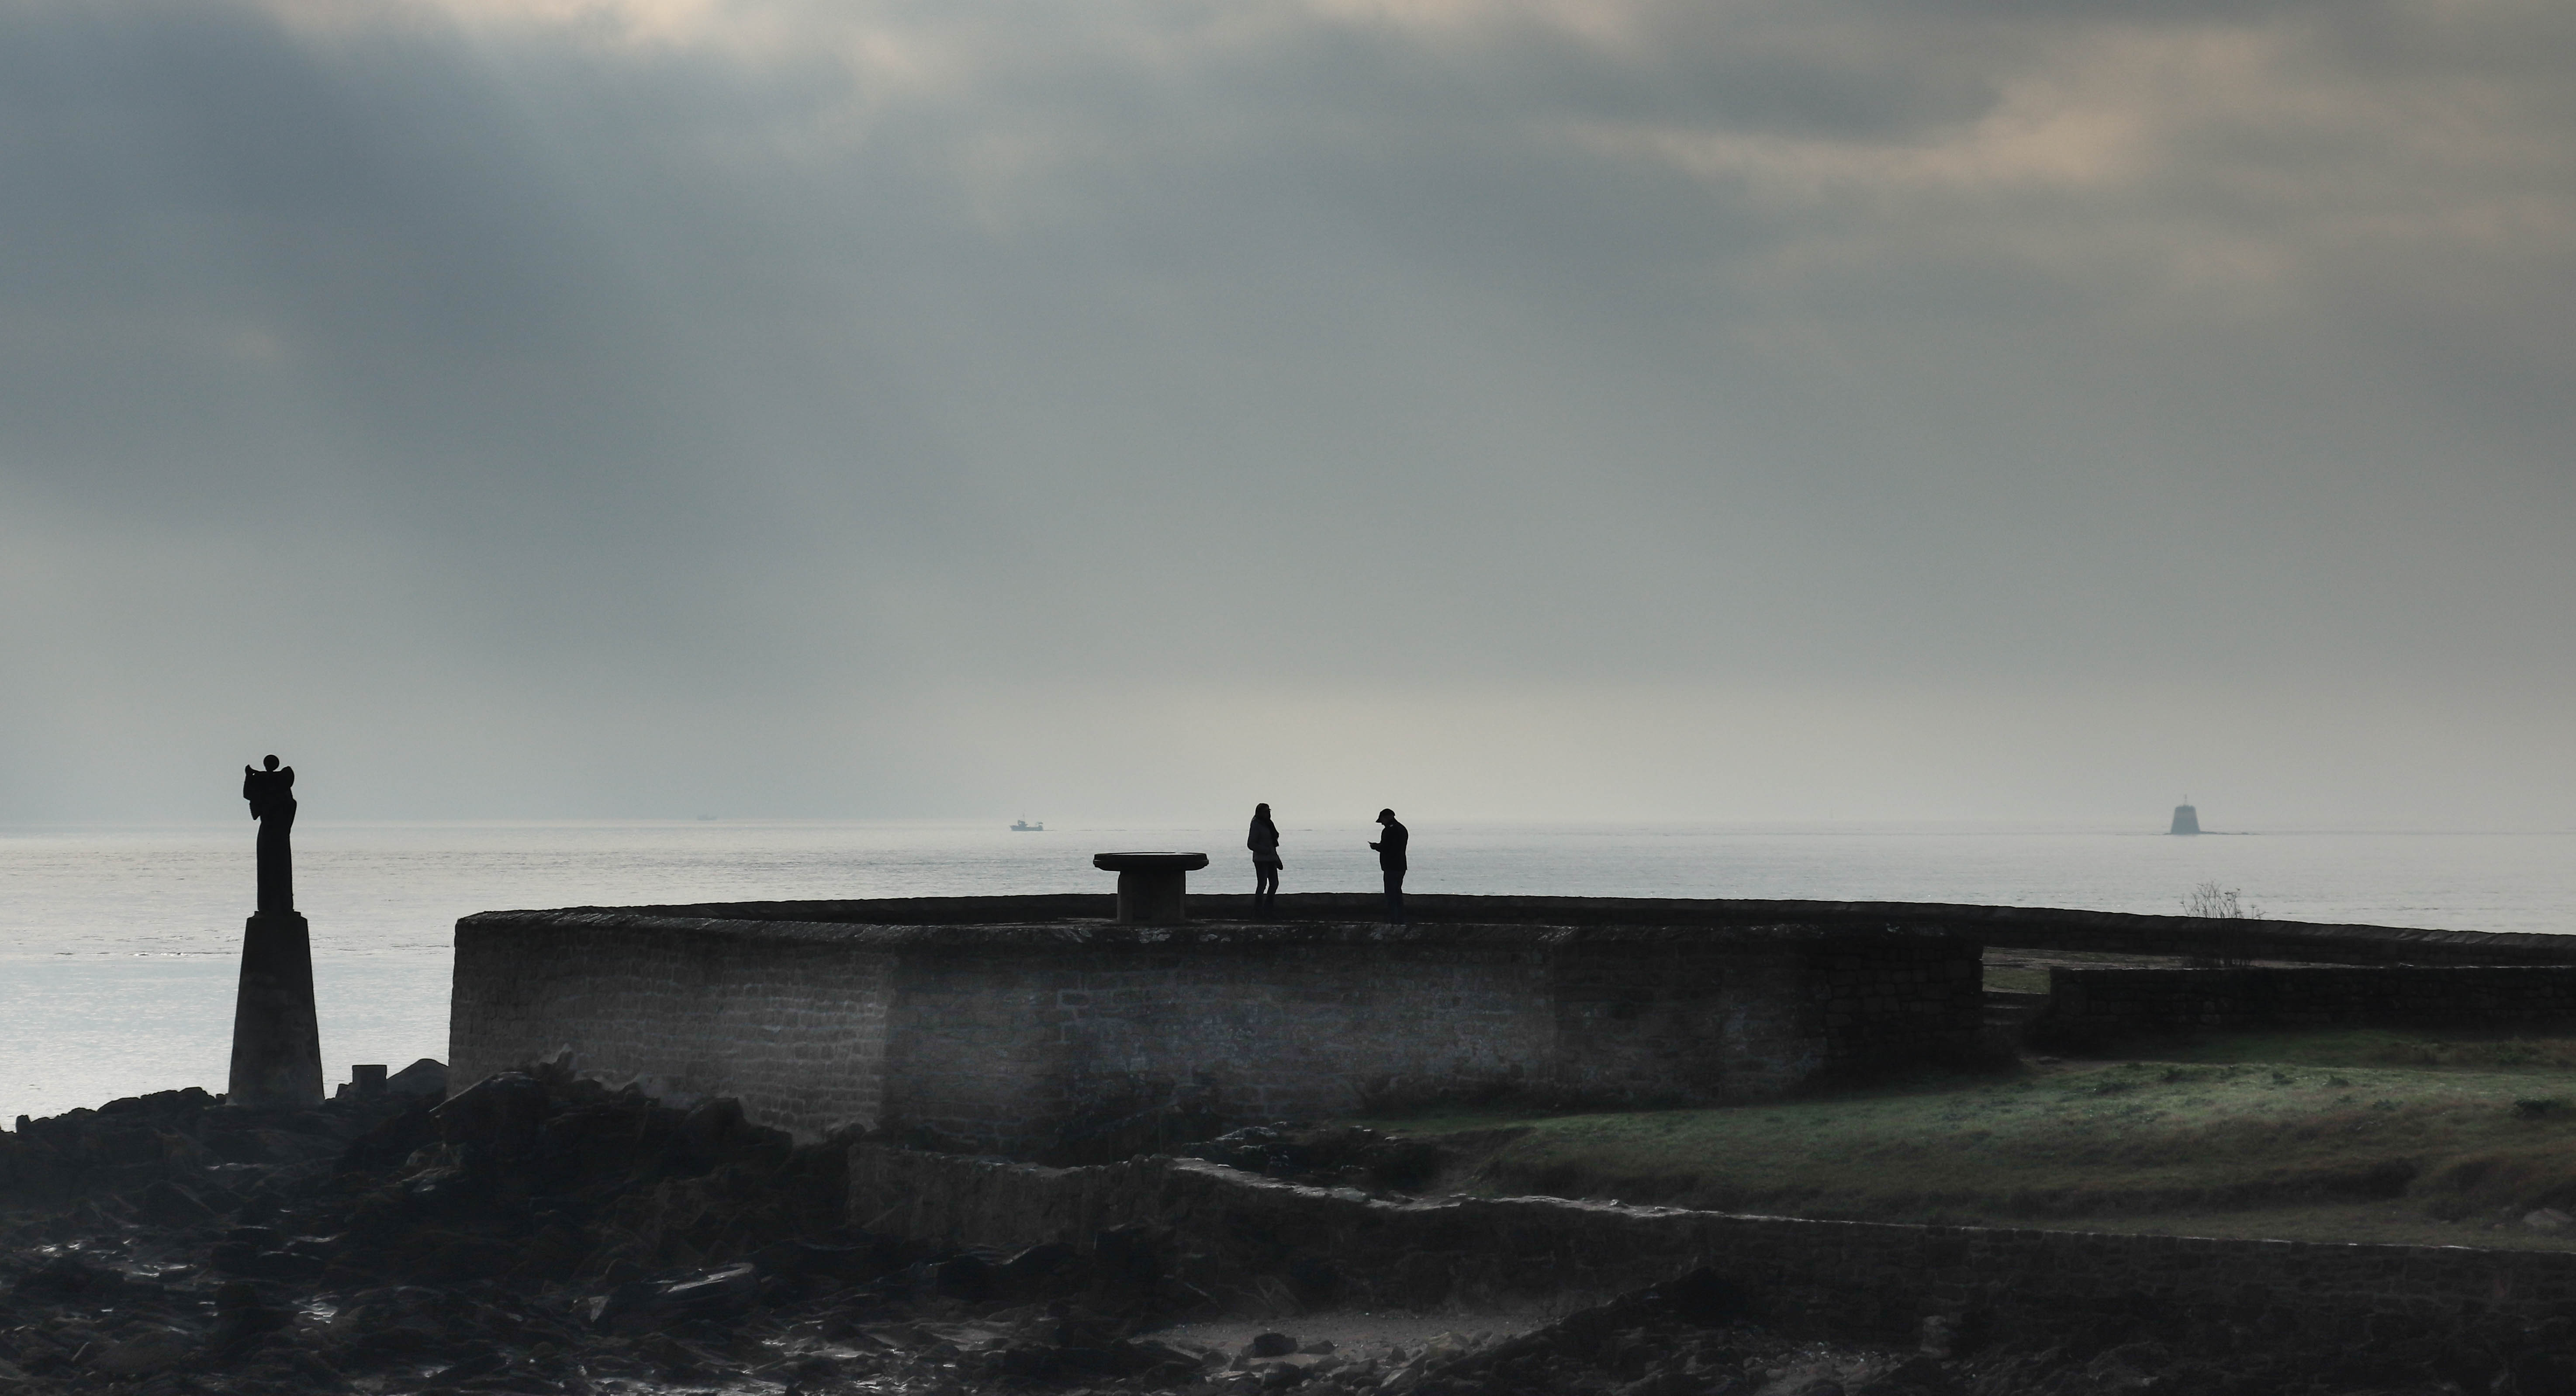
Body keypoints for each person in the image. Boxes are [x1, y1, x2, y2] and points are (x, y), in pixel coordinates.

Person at [241, 754, 297, 914]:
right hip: (278, 834)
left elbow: (249, 794)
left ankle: (270, 905)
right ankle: (281, 905)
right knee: (279, 870)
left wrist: (251, 777)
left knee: (271, 870)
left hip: (269, 833)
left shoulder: (267, 788)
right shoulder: (284, 791)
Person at [1369, 808, 1407, 922]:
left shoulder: (1390, 830)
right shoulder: (1402, 829)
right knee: (1397, 892)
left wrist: (1376, 846)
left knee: (1391, 894)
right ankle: (1399, 918)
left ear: (1388, 817)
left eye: (1383, 820)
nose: (1381, 823)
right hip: (1400, 865)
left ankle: (1394, 919)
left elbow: (1387, 847)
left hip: (1391, 866)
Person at [1248, 803, 1282, 912]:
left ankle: (1268, 908)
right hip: (1261, 860)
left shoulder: (1269, 824)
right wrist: (1265, 850)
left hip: (1271, 858)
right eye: (1265, 812)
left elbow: (1272, 842)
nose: (1268, 814)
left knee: (1274, 883)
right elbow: (1251, 844)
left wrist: (1276, 858)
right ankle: (1258, 911)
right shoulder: (1256, 825)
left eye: (1269, 811)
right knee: (1262, 884)